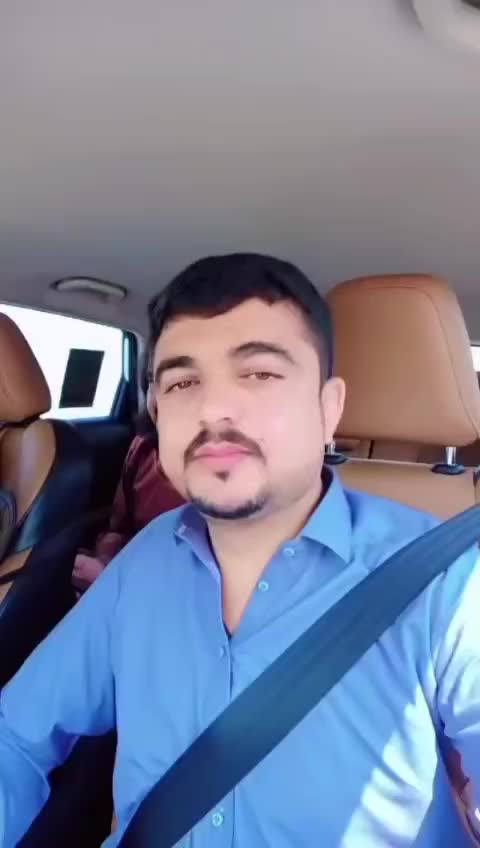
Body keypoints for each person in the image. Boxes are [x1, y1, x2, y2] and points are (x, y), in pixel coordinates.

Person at [1, 252, 480, 848]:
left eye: (259, 374)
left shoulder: (451, 581)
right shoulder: (143, 565)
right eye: (182, 382)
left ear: (329, 408)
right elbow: (16, 735)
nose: (212, 409)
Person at [72, 369, 184, 593]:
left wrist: (111, 581)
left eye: (180, 384)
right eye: (152, 381)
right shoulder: (143, 448)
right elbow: (119, 527)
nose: (158, 398)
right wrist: (104, 560)